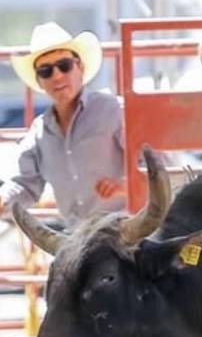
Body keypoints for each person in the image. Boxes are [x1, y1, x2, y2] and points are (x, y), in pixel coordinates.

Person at [0, 22, 126, 229]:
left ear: (80, 68)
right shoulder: (39, 132)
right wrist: (4, 199)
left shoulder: (114, 110)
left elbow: (157, 170)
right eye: (46, 71)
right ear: (39, 81)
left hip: (124, 232)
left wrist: (126, 186)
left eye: (64, 65)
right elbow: (25, 184)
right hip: (77, 239)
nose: (57, 76)